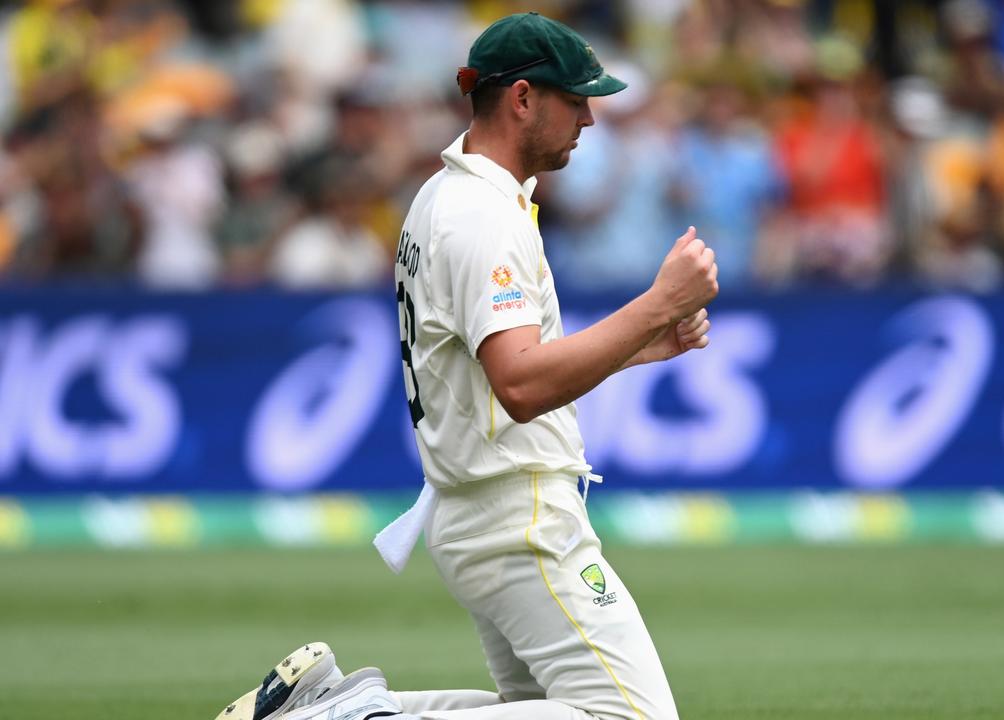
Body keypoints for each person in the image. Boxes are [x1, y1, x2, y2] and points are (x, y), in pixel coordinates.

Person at [215, 13, 717, 720]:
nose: (589, 118)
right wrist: (657, 301)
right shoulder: (482, 214)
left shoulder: (443, 197)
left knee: (546, 707)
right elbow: (519, 384)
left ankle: (339, 705)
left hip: (476, 508)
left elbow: (499, 368)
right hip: (518, 515)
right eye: (574, 99)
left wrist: (641, 343)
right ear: (521, 98)